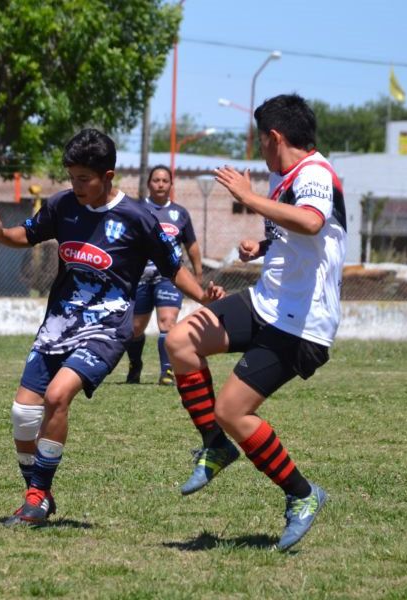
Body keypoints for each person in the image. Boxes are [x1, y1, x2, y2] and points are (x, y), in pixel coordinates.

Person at [0, 129, 223, 526]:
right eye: (71, 177)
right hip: (59, 322)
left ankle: (36, 499)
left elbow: (172, 267)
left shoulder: (139, 217)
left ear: (108, 176)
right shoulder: (62, 206)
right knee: (23, 412)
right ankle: (38, 494)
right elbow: (30, 233)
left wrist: (201, 295)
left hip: (108, 326)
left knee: (57, 397)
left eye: (84, 179)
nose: (76, 186)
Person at [164, 94, 346, 551]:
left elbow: (311, 222)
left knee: (232, 410)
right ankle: (215, 445)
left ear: (275, 137)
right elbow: (297, 237)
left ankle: (302, 496)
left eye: (260, 140)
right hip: (266, 303)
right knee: (180, 340)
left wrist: (248, 198)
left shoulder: (316, 174)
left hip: (301, 324)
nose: (259, 149)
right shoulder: (282, 176)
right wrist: (261, 247)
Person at [124, 166, 203, 385]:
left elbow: (192, 245)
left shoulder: (180, 213)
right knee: (135, 328)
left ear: (171, 185)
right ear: (149, 183)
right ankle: (135, 364)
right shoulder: (137, 209)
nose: (160, 184)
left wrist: (197, 273)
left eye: (165, 180)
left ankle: (167, 371)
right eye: (156, 180)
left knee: (167, 323)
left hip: (169, 276)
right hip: (139, 276)